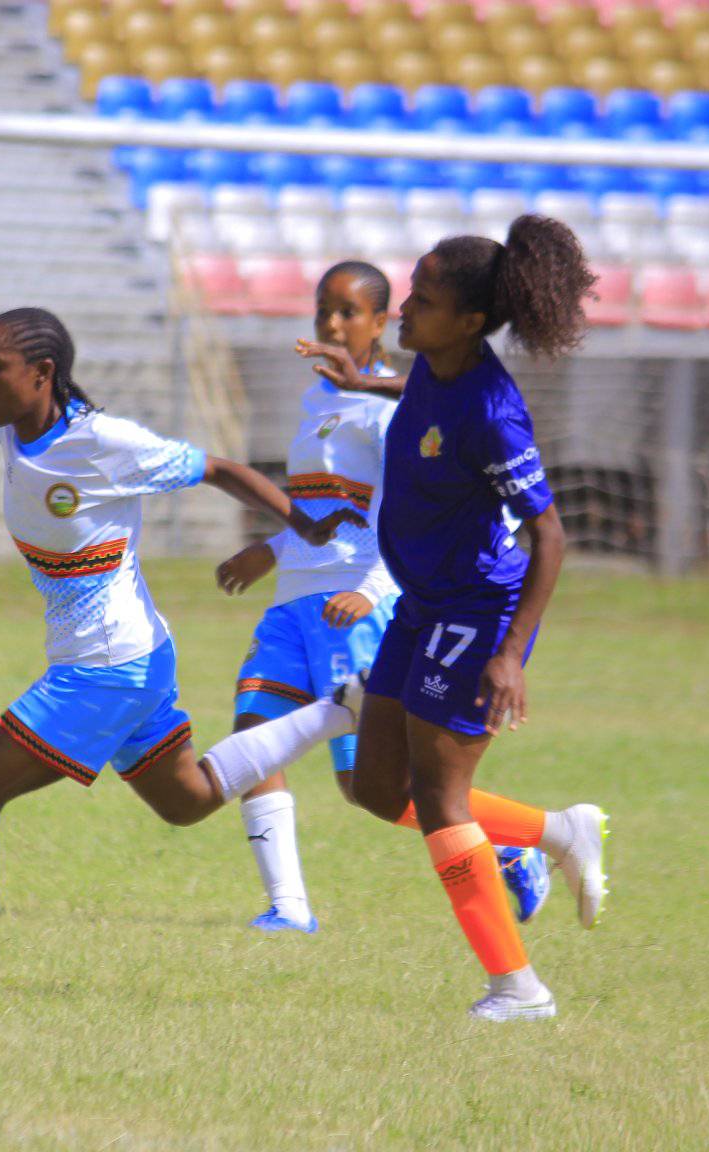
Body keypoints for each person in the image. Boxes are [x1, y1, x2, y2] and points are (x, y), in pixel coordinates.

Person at [0, 251, 370, 988]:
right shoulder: (14, 420)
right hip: (138, 654)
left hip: (107, 668)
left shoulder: (104, 444)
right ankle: (339, 712)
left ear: (41, 376)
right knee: (189, 801)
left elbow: (222, 469)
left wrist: (307, 525)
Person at [195, 216, 609, 1020]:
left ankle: (516, 987)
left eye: (423, 299)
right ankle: (558, 833)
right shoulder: (433, 370)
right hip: (422, 609)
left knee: (442, 798)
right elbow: (413, 392)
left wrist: (512, 655)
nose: (407, 308)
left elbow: (548, 533)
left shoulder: (494, 411)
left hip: (474, 613)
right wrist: (361, 383)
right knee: (380, 790)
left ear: (468, 322)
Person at [215, 260, 548, 934]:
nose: (332, 324)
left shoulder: (396, 408)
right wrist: (274, 549)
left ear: (379, 320)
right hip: (293, 599)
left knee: (369, 784)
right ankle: (288, 908)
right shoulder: (320, 401)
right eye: (323, 310)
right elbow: (331, 509)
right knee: (255, 737)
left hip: (353, 603)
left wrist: (371, 590)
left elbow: (404, 517)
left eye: (348, 312)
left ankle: (517, 845)